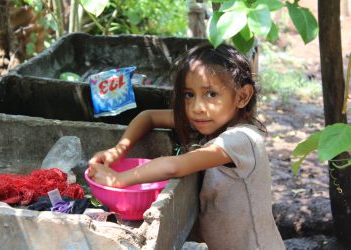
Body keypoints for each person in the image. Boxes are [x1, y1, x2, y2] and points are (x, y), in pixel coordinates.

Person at [88, 43, 285, 250]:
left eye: (211, 94)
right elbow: (149, 117)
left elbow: (176, 166)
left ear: (242, 96)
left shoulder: (240, 139)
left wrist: (119, 179)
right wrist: (119, 150)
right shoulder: (212, 121)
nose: (197, 108)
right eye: (189, 95)